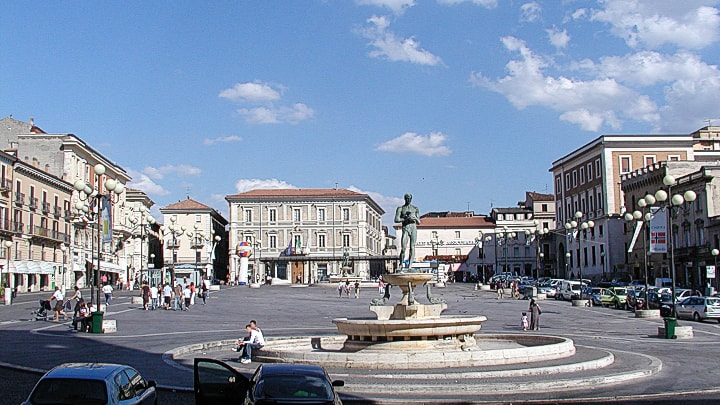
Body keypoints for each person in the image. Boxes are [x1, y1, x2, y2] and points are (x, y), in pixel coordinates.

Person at [394, 193, 420, 269]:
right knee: (403, 248)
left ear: (411, 199)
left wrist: (414, 218)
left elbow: (419, 222)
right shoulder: (401, 208)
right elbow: (396, 219)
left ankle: (410, 265)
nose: (408, 200)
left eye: (410, 198)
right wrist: (405, 218)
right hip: (405, 227)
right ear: (405, 199)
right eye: (407, 198)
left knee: (412, 247)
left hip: (413, 227)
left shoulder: (415, 208)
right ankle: (401, 264)